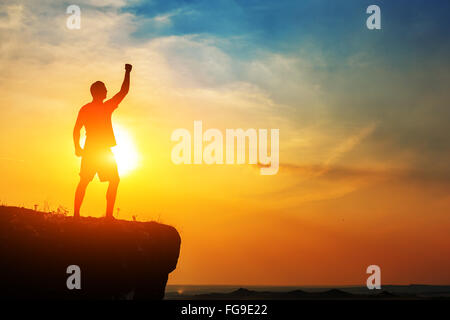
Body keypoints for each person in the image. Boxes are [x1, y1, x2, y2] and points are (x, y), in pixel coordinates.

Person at [73, 64, 132, 219]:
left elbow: (76, 130)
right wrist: (127, 72)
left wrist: (77, 147)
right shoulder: (105, 107)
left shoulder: (86, 108)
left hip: (93, 149)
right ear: (98, 92)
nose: (107, 90)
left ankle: (79, 215)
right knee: (106, 180)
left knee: (88, 181)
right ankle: (106, 215)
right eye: (105, 88)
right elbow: (124, 91)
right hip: (99, 150)